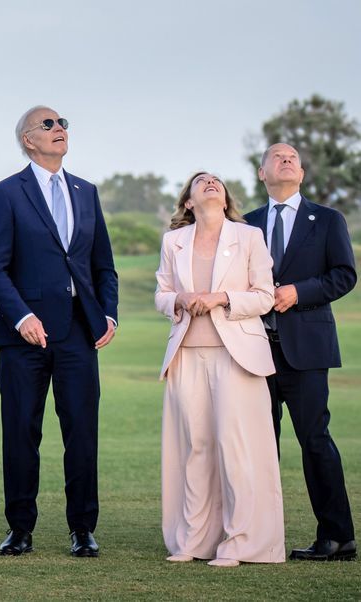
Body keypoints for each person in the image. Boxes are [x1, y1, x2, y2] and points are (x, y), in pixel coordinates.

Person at [0, 106, 118, 558]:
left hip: (80, 333)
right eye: (48, 125)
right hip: (24, 337)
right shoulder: (6, 193)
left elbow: (102, 265)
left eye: (63, 124)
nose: (59, 129)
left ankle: (83, 528)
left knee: (82, 432)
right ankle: (19, 529)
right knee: (21, 432)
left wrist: (109, 315)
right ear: (27, 139)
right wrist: (22, 316)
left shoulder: (86, 191)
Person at [155, 172, 285, 567]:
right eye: (201, 181)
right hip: (186, 356)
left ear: (224, 196)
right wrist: (181, 297)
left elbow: (264, 296)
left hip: (238, 357)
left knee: (236, 447)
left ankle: (241, 542)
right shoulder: (173, 242)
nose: (211, 183)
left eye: (216, 180)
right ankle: (193, 540)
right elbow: (161, 294)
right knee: (196, 447)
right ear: (189, 202)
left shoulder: (249, 237)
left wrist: (221, 297)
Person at [244, 143, 356, 561]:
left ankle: (337, 536)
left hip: (307, 350)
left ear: (302, 174)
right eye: (277, 156)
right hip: (254, 352)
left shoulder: (327, 220)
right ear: (261, 173)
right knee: (259, 444)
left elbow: (344, 276)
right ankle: (259, 536)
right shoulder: (246, 224)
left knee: (315, 441)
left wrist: (299, 292)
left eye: (293, 157)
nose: (286, 160)